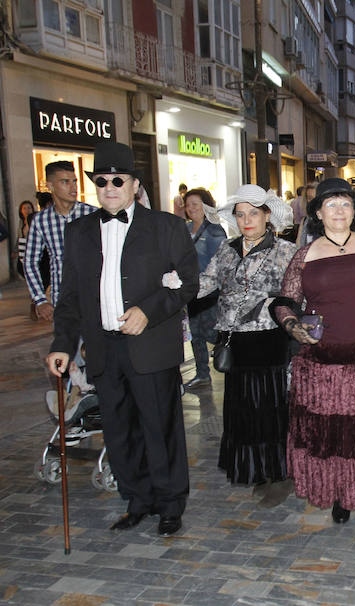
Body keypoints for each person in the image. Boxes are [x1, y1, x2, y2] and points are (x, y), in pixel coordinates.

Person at [46, 141, 198, 536]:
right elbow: (70, 297)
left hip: (149, 346)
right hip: (104, 348)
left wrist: (148, 311)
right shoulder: (78, 232)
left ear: (134, 185)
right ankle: (137, 499)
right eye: (101, 181)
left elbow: (187, 283)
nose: (109, 187)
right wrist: (62, 344)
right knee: (118, 429)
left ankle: (169, 503)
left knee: (159, 427)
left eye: (117, 180)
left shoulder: (165, 226)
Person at [274, 178, 355, 523]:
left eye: (345, 203)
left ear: (354, 211)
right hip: (325, 360)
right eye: (331, 204)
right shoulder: (305, 254)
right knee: (336, 433)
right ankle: (341, 496)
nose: (339, 210)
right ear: (318, 212)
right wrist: (292, 326)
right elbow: (285, 302)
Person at [196, 185, 297, 507]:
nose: (246, 220)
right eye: (240, 214)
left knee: (270, 408)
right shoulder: (227, 249)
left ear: (267, 215)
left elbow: (297, 294)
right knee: (243, 408)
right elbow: (208, 282)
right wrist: (175, 287)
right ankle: (255, 469)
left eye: (253, 213)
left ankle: (279, 474)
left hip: (269, 339)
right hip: (235, 341)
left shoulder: (285, 251)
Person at [25, 162, 96, 322]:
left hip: (95, 299)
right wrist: (40, 300)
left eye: (74, 181)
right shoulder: (40, 221)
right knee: (67, 346)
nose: (73, 187)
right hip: (62, 300)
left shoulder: (93, 214)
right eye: (65, 182)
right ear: (50, 185)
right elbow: (30, 261)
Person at [183, 188, 227, 389]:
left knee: (211, 333)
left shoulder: (214, 231)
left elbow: (220, 262)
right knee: (195, 333)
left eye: (195, 204)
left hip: (210, 293)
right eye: (188, 204)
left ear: (206, 206)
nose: (191, 208)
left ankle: (229, 358)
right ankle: (202, 373)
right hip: (190, 291)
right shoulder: (185, 229)